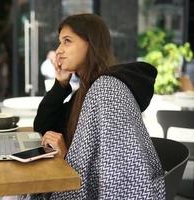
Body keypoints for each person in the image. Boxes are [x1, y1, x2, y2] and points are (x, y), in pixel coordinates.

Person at [32, 14, 165, 199]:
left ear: (91, 43)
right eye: (59, 42)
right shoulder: (85, 92)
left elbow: (120, 177)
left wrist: (65, 159)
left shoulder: (106, 90)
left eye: (67, 41)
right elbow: (42, 127)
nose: (58, 50)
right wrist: (60, 85)